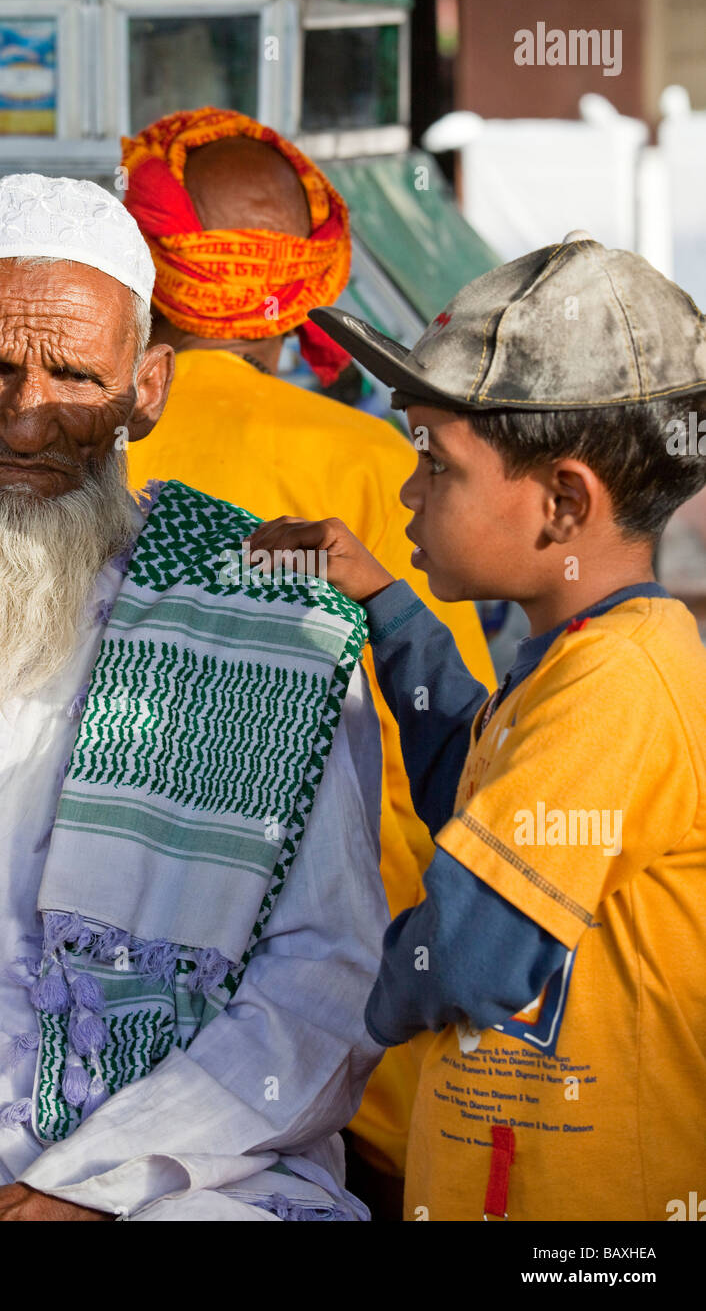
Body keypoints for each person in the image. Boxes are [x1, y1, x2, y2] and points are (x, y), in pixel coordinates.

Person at [0, 173, 390, 1223]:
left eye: (75, 377)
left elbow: (324, 981)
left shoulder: (270, 634)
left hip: (193, 1173)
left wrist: (78, 1193)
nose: (30, 422)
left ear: (147, 388)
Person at [248, 230, 706, 1220]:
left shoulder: (617, 683)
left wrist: (315, 1002)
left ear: (560, 502)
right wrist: (377, 597)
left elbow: (471, 950)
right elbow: (467, 770)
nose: (406, 491)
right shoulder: (571, 663)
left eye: (435, 466)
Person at [120, 107, 496, 1200]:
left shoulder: (68, 443)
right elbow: (450, 750)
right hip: (346, 1032)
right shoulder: (380, 462)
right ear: (304, 282)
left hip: (107, 997)